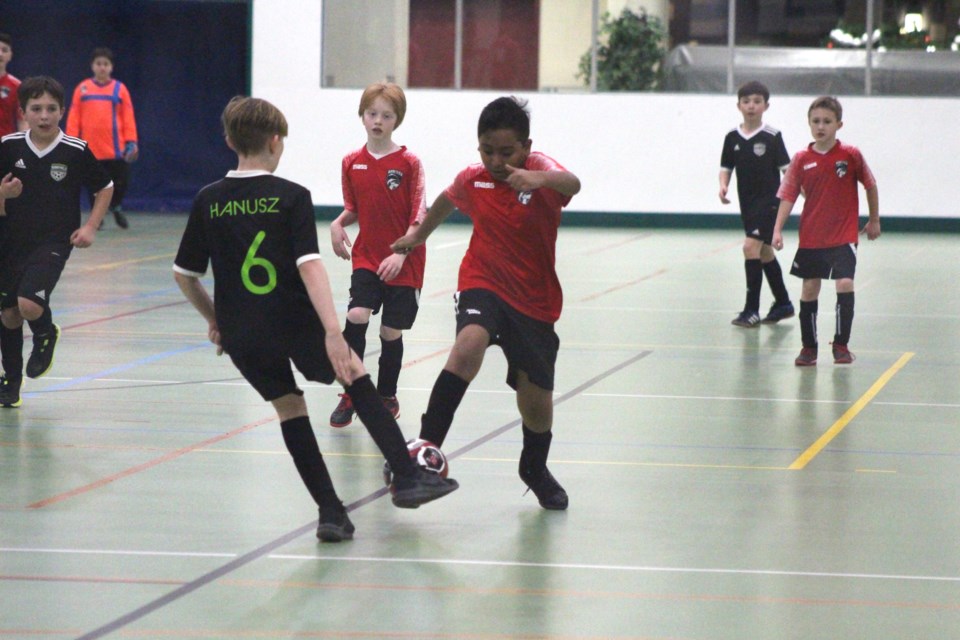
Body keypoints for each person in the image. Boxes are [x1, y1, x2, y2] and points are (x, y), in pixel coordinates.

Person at [173, 96, 458, 542]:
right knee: (355, 374)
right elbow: (310, 266)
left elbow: (185, 275)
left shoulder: (208, 200)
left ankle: (331, 513)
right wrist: (332, 332)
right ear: (275, 142)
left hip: (244, 331)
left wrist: (216, 321)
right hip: (294, 321)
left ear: (230, 141)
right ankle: (407, 475)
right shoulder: (290, 197)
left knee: (290, 408)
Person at [391, 96, 581, 511]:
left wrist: (539, 181)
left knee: (537, 406)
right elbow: (445, 199)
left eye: (506, 151)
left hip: (534, 301)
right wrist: (418, 236)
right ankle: (422, 455)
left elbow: (573, 184)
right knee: (468, 345)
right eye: (487, 150)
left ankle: (534, 468)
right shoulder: (473, 179)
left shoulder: (542, 169)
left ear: (526, 146)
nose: (496, 160)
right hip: (482, 281)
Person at [0, 76, 114, 408]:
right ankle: (11, 382)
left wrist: (91, 226)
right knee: (8, 316)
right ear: (23, 112)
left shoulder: (75, 150)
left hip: (53, 240)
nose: (44, 116)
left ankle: (45, 333)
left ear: (62, 111)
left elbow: (104, 187)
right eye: (36, 109)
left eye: (51, 109)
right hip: (10, 240)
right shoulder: (8, 146)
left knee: (29, 305)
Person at [328, 82, 427, 428]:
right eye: (372, 113)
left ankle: (386, 395)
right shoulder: (351, 162)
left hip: (405, 259)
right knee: (356, 313)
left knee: (389, 332)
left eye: (386, 115)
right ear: (362, 116)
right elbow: (354, 208)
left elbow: (420, 216)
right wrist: (338, 224)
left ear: (397, 120)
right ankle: (352, 391)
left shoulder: (410, 163)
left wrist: (401, 254)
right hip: (368, 256)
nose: (378, 120)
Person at [772, 95, 880, 366]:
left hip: (844, 235)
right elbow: (788, 195)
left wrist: (874, 219)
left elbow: (870, 184)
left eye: (827, 121)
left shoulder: (850, 155)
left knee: (844, 283)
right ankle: (809, 348)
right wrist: (777, 230)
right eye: (816, 121)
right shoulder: (800, 159)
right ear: (809, 124)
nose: (821, 126)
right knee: (810, 288)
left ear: (839, 125)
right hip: (812, 237)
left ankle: (841, 345)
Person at [719, 80, 794, 328]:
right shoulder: (732, 138)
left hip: (769, 203)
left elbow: (788, 171)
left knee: (750, 248)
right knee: (763, 252)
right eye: (746, 101)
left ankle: (751, 310)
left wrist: (805, 195)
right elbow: (726, 167)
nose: (751, 106)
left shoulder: (772, 137)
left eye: (757, 101)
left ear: (766, 106)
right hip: (747, 204)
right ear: (738, 105)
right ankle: (783, 303)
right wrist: (723, 185)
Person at [66, 47, 139, 230]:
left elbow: (128, 117)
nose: (102, 67)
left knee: (120, 182)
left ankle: (116, 206)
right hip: (91, 149)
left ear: (111, 67)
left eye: (105, 64)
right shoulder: (82, 89)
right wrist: (72, 142)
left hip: (116, 149)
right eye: (99, 64)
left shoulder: (119, 89)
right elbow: (74, 117)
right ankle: (97, 218)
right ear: (92, 66)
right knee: (93, 186)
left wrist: (131, 142)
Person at [0, 33, 22, 137]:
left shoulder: (16, 86)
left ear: (10, 55)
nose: (0, 54)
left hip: (5, 147)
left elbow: (23, 120)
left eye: (4, 50)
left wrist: (23, 148)